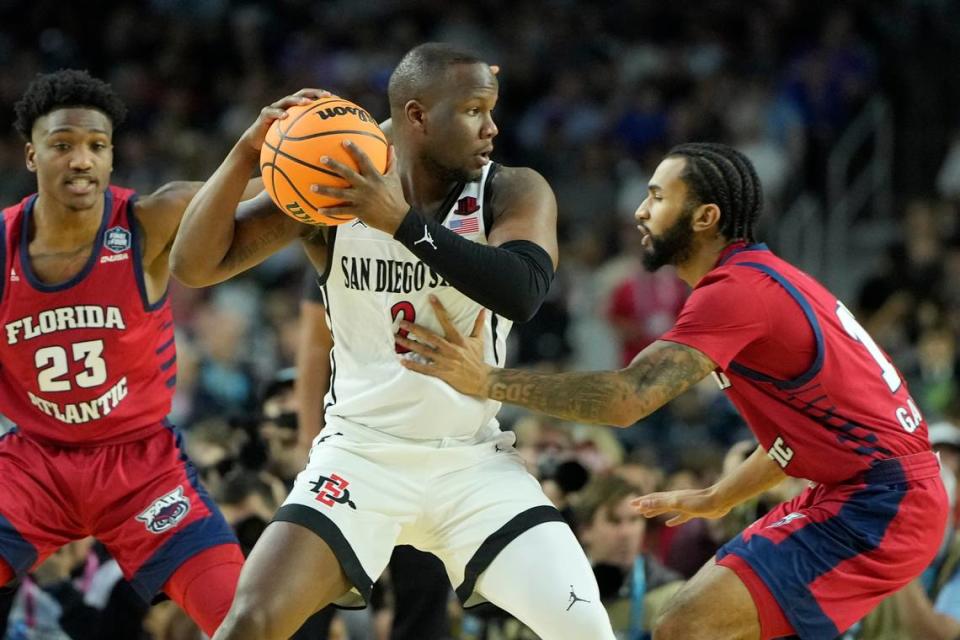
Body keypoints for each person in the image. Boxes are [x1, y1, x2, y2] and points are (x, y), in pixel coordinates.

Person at [398, 142, 948, 640]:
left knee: (686, 627)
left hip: (882, 502)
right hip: (872, 491)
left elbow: (626, 399)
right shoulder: (760, 280)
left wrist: (488, 379)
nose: (640, 211)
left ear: (705, 217)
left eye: (658, 197)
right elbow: (794, 438)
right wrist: (719, 498)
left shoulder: (736, 293)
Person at [170, 43, 614, 640]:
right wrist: (246, 152)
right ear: (417, 115)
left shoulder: (511, 190)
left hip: (472, 463)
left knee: (587, 628)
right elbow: (195, 265)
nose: (493, 127)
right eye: (475, 110)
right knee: (249, 622)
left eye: (492, 109)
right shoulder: (335, 187)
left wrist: (402, 224)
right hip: (361, 456)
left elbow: (524, 291)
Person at [0, 70, 255, 636]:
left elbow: (288, 189)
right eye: (62, 145)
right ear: (31, 155)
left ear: (112, 156)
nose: (81, 160)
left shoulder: (152, 220)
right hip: (34, 464)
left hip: (141, 468)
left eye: (96, 146)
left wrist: (365, 145)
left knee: (245, 621)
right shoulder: (2, 247)